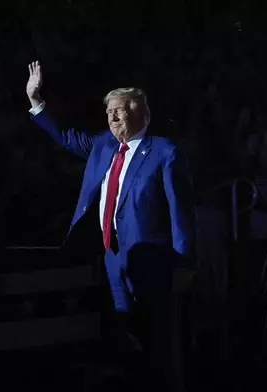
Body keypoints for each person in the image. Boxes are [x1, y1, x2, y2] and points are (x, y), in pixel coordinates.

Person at [25, 61, 196, 391]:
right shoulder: (103, 145)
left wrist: (185, 265)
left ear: (142, 115)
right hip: (112, 258)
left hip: (154, 262)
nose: (113, 117)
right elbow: (65, 136)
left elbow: (181, 213)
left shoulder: (165, 153)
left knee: (158, 339)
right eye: (110, 112)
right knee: (121, 332)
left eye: (120, 110)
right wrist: (36, 101)